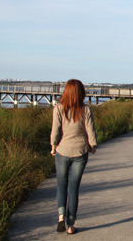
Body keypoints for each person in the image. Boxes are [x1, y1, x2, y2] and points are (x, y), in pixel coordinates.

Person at [50, 79, 97, 235]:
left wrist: (53, 146)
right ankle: (70, 225)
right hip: (80, 152)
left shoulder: (59, 108)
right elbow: (90, 129)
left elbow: (55, 130)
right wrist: (92, 145)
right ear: (81, 93)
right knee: (73, 188)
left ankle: (61, 217)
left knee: (61, 185)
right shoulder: (85, 110)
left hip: (62, 150)